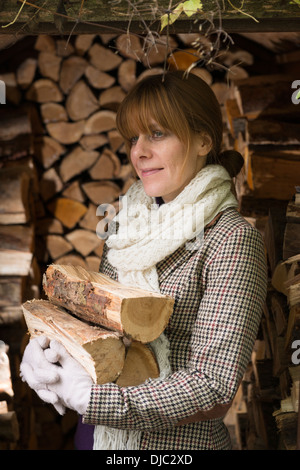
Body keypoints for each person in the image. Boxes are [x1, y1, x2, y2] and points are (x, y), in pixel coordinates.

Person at [20, 70, 267, 450]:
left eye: (157, 134)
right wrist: (46, 350)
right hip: (98, 438)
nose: (139, 152)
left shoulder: (231, 239)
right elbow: (101, 333)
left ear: (203, 140)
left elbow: (213, 386)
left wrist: (92, 400)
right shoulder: (125, 226)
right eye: (133, 138)